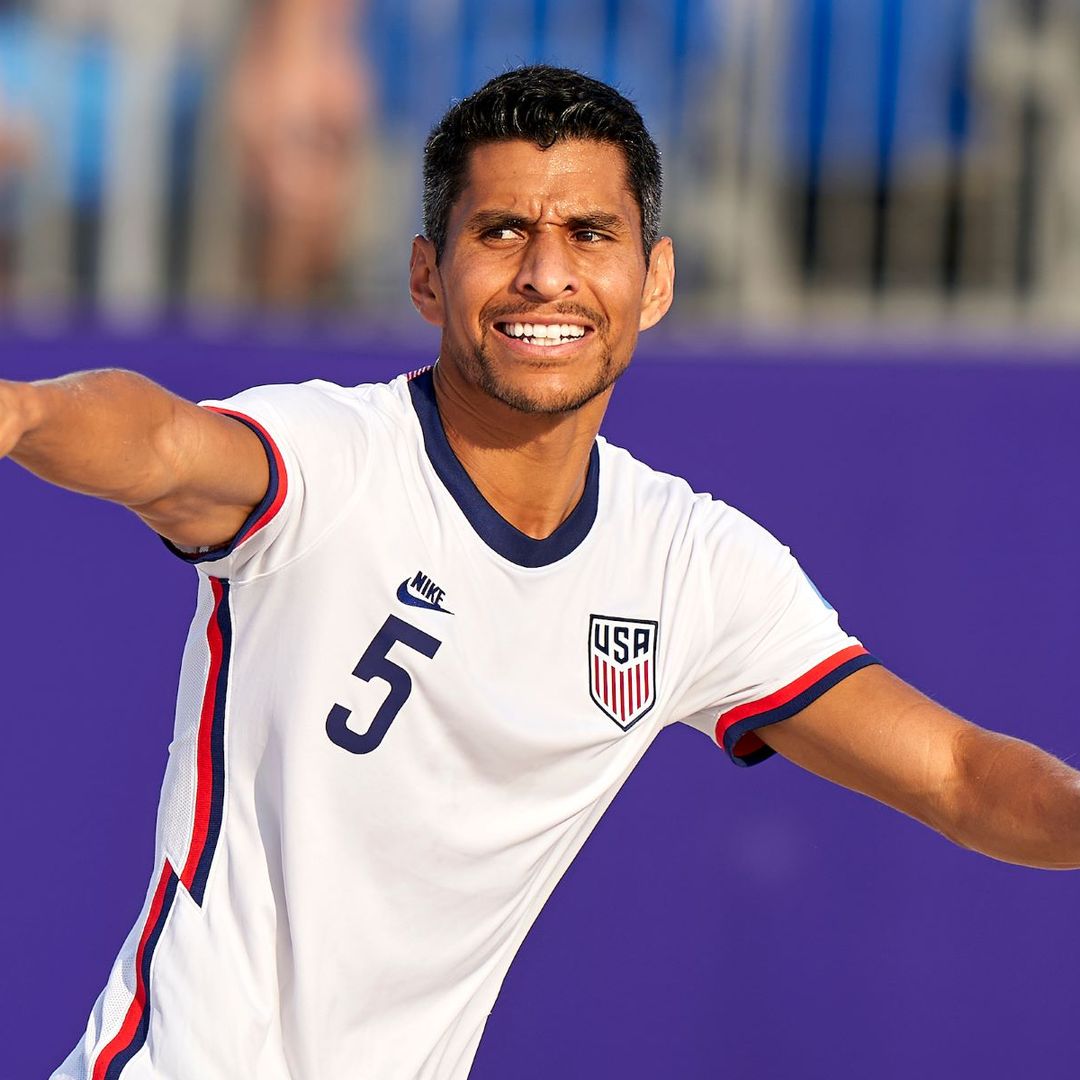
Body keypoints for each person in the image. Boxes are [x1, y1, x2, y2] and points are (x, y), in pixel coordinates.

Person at [1, 65, 1077, 1080]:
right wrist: (25, 412)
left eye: (590, 232)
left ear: (654, 279)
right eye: (502, 229)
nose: (546, 272)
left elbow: (962, 777)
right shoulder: (336, 460)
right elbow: (161, 445)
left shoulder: (690, 566)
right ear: (428, 273)